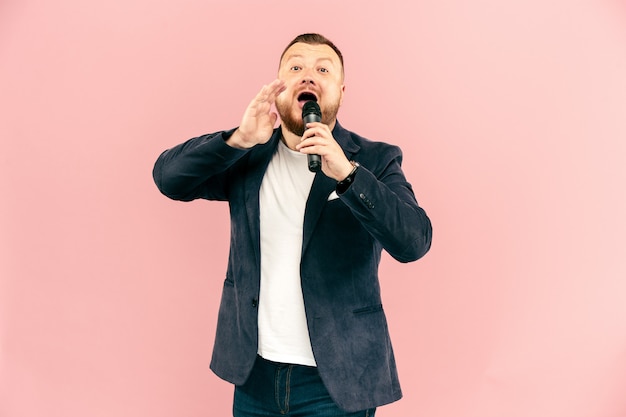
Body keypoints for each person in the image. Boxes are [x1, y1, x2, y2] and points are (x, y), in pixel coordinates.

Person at [153, 33, 432, 417]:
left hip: (337, 381)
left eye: (322, 69)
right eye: (296, 67)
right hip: (254, 375)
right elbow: (169, 179)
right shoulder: (248, 156)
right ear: (278, 87)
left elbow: (413, 241)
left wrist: (348, 175)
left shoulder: (374, 159)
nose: (308, 76)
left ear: (341, 91)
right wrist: (237, 139)